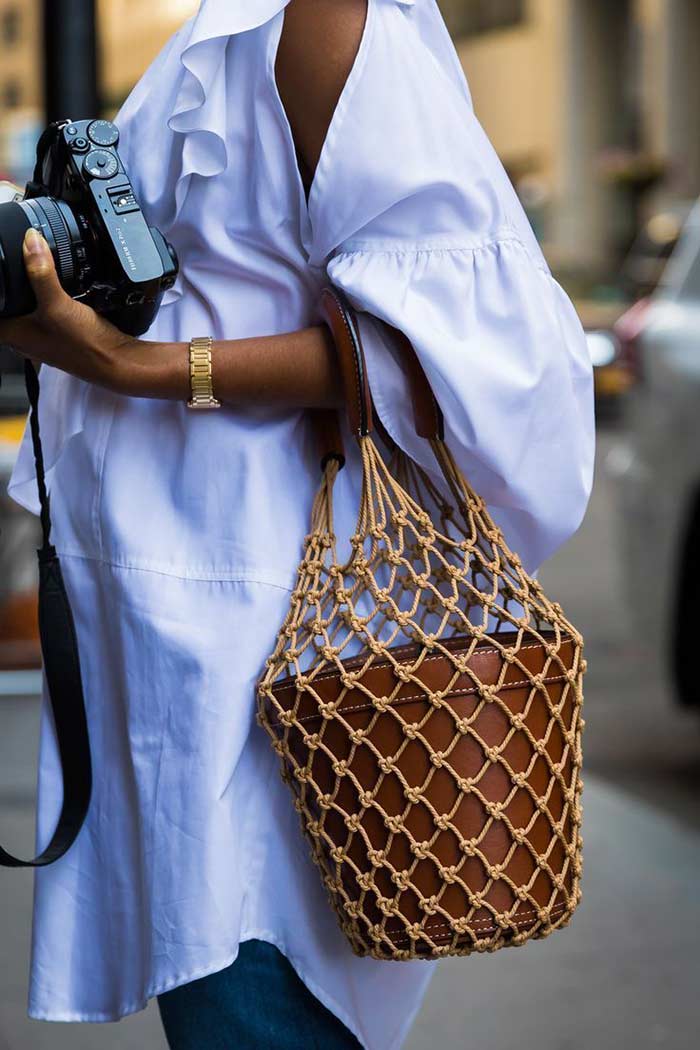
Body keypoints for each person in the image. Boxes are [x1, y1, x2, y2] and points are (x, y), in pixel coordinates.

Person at [1, 1, 595, 1047]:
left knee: (261, 994)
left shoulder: (320, 24)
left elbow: (463, 351)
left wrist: (132, 363)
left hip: (276, 659)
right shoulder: (234, 26)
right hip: (193, 641)